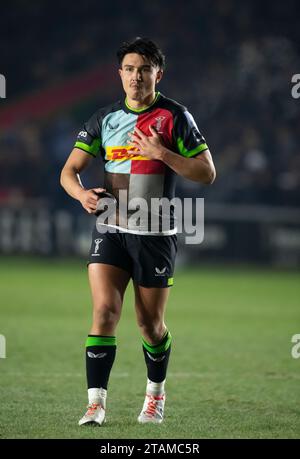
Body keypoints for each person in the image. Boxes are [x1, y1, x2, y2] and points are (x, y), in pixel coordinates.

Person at [60, 37, 216, 426]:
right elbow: (68, 171)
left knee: (149, 325)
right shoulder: (104, 118)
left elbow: (207, 173)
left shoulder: (176, 116)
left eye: (144, 69)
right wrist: (81, 194)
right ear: (120, 74)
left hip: (156, 232)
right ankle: (95, 404)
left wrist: (162, 153)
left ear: (158, 74)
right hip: (111, 226)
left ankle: (155, 396)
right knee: (104, 311)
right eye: (128, 69)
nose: (135, 77)